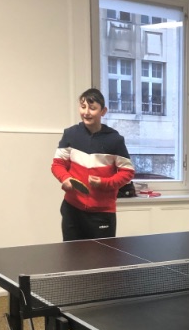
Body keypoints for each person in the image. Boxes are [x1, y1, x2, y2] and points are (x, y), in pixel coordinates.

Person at [51, 88, 135, 241]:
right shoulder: (70, 134)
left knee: (101, 256)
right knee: (71, 254)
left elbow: (127, 172)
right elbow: (57, 164)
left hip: (102, 213)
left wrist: (105, 183)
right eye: (83, 107)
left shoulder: (115, 140)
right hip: (72, 210)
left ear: (103, 111)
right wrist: (65, 178)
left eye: (92, 108)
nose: (86, 112)